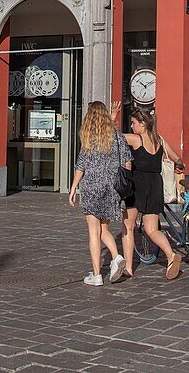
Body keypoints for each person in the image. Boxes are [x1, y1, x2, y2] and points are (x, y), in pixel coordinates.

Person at [69, 101, 131, 286]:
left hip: (91, 188)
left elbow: (81, 166)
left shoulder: (89, 138)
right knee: (104, 229)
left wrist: (73, 188)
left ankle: (97, 275)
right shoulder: (118, 137)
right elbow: (128, 163)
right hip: (112, 189)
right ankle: (116, 256)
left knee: (93, 232)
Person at [119, 106, 184, 280]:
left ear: (143, 124)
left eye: (134, 123)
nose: (132, 126)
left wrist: (112, 118)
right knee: (152, 229)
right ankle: (170, 255)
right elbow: (177, 158)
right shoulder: (160, 140)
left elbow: (113, 139)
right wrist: (179, 167)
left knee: (128, 226)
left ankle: (129, 267)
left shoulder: (135, 139)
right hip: (155, 185)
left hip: (137, 185)